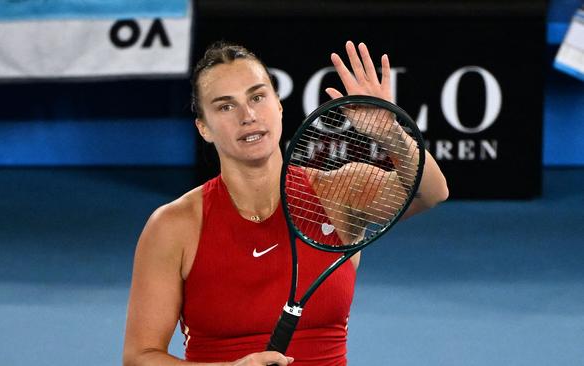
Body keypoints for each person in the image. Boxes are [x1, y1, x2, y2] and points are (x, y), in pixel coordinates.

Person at [122, 40, 449, 366]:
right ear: (203, 127)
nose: (248, 115)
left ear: (278, 105)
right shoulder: (174, 225)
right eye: (225, 106)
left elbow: (432, 193)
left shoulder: (336, 194)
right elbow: (140, 357)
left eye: (257, 96)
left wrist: (388, 130)